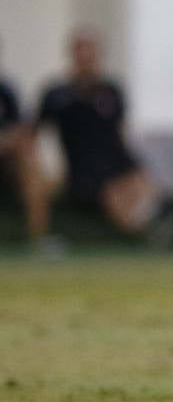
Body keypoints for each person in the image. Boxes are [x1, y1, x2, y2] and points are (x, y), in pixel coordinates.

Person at [36, 29, 163, 237]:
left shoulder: (111, 90)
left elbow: (120, 132)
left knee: (142, 185)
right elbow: (36, 133)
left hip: (116, 162)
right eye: (80, 50)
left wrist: (133, 166)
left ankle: (144, 229)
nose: (85, 56)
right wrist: (48, 168)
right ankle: (139, 235)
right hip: (82, 169)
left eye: (90, 50)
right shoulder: (56, 94)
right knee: (114, 194)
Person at [0, 42, 52, 244]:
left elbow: (21, 132)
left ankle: (37, 238)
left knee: (31, 164)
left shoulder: (7, 91)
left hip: (6, 162)